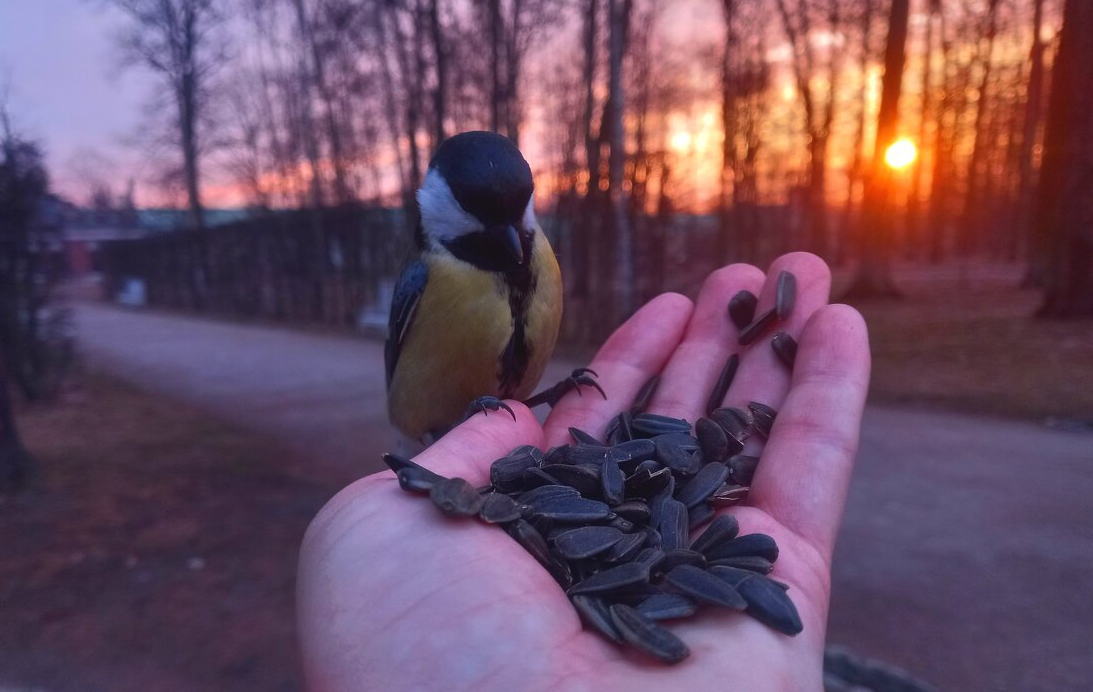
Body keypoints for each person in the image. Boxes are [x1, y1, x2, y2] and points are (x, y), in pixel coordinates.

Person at [297, 253, 870, 691]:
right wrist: (430, 466)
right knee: (497, 422)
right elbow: (406, 380)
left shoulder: (541, 258)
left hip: (541, 458)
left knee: (508, 416)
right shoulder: (425, 274)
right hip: (436, 427)